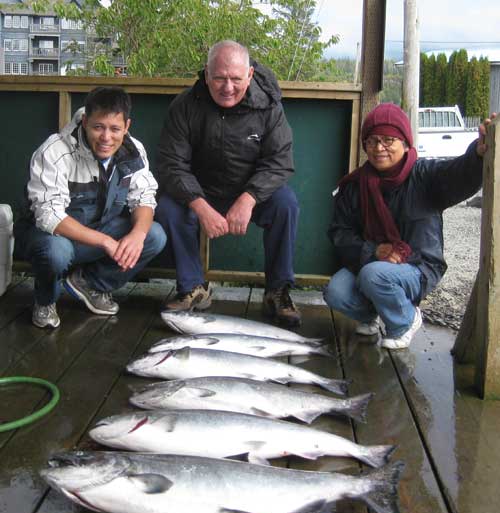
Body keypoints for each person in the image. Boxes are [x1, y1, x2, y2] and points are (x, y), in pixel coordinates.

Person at [323, 102, 494, 349]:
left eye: (388, 140)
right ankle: (371, 315)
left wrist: (477, 154)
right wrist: (374, 251)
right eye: (372, 141)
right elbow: (340, 232)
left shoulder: (426, 175)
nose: (379, 148)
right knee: (335, 292)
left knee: (374, 274)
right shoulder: (354, 186)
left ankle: (405, 320)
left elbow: (460, 175)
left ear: (405, 143)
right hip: (371, 262)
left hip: (418, 266)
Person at [155, 40, 301, 326]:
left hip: (250, 193)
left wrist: (248, 199)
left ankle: (278, 290)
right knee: (169, 208)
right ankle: (193, 287)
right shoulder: (185, 105)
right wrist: (200, 206)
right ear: (207, 75)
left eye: (236, 78)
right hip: (201, 191)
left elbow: (280, 161)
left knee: (286, 204)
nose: (228, 87)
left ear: (249, 75)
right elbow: (171, 164)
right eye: (220, 78)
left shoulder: (270, 107)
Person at [14, 86, 167, 329]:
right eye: (98, 127)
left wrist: (137, 235)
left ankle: (90, 283)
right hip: (47, 236)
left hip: (97, 231)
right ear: (85, 122)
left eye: (115, 129)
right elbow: (49, 216)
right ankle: (45, 301)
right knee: (56, 252)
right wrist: (105, 242)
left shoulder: (133, 149)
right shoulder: (55, 151)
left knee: (154, 235)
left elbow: (145, 197)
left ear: (126, 126)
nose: (106, 137)